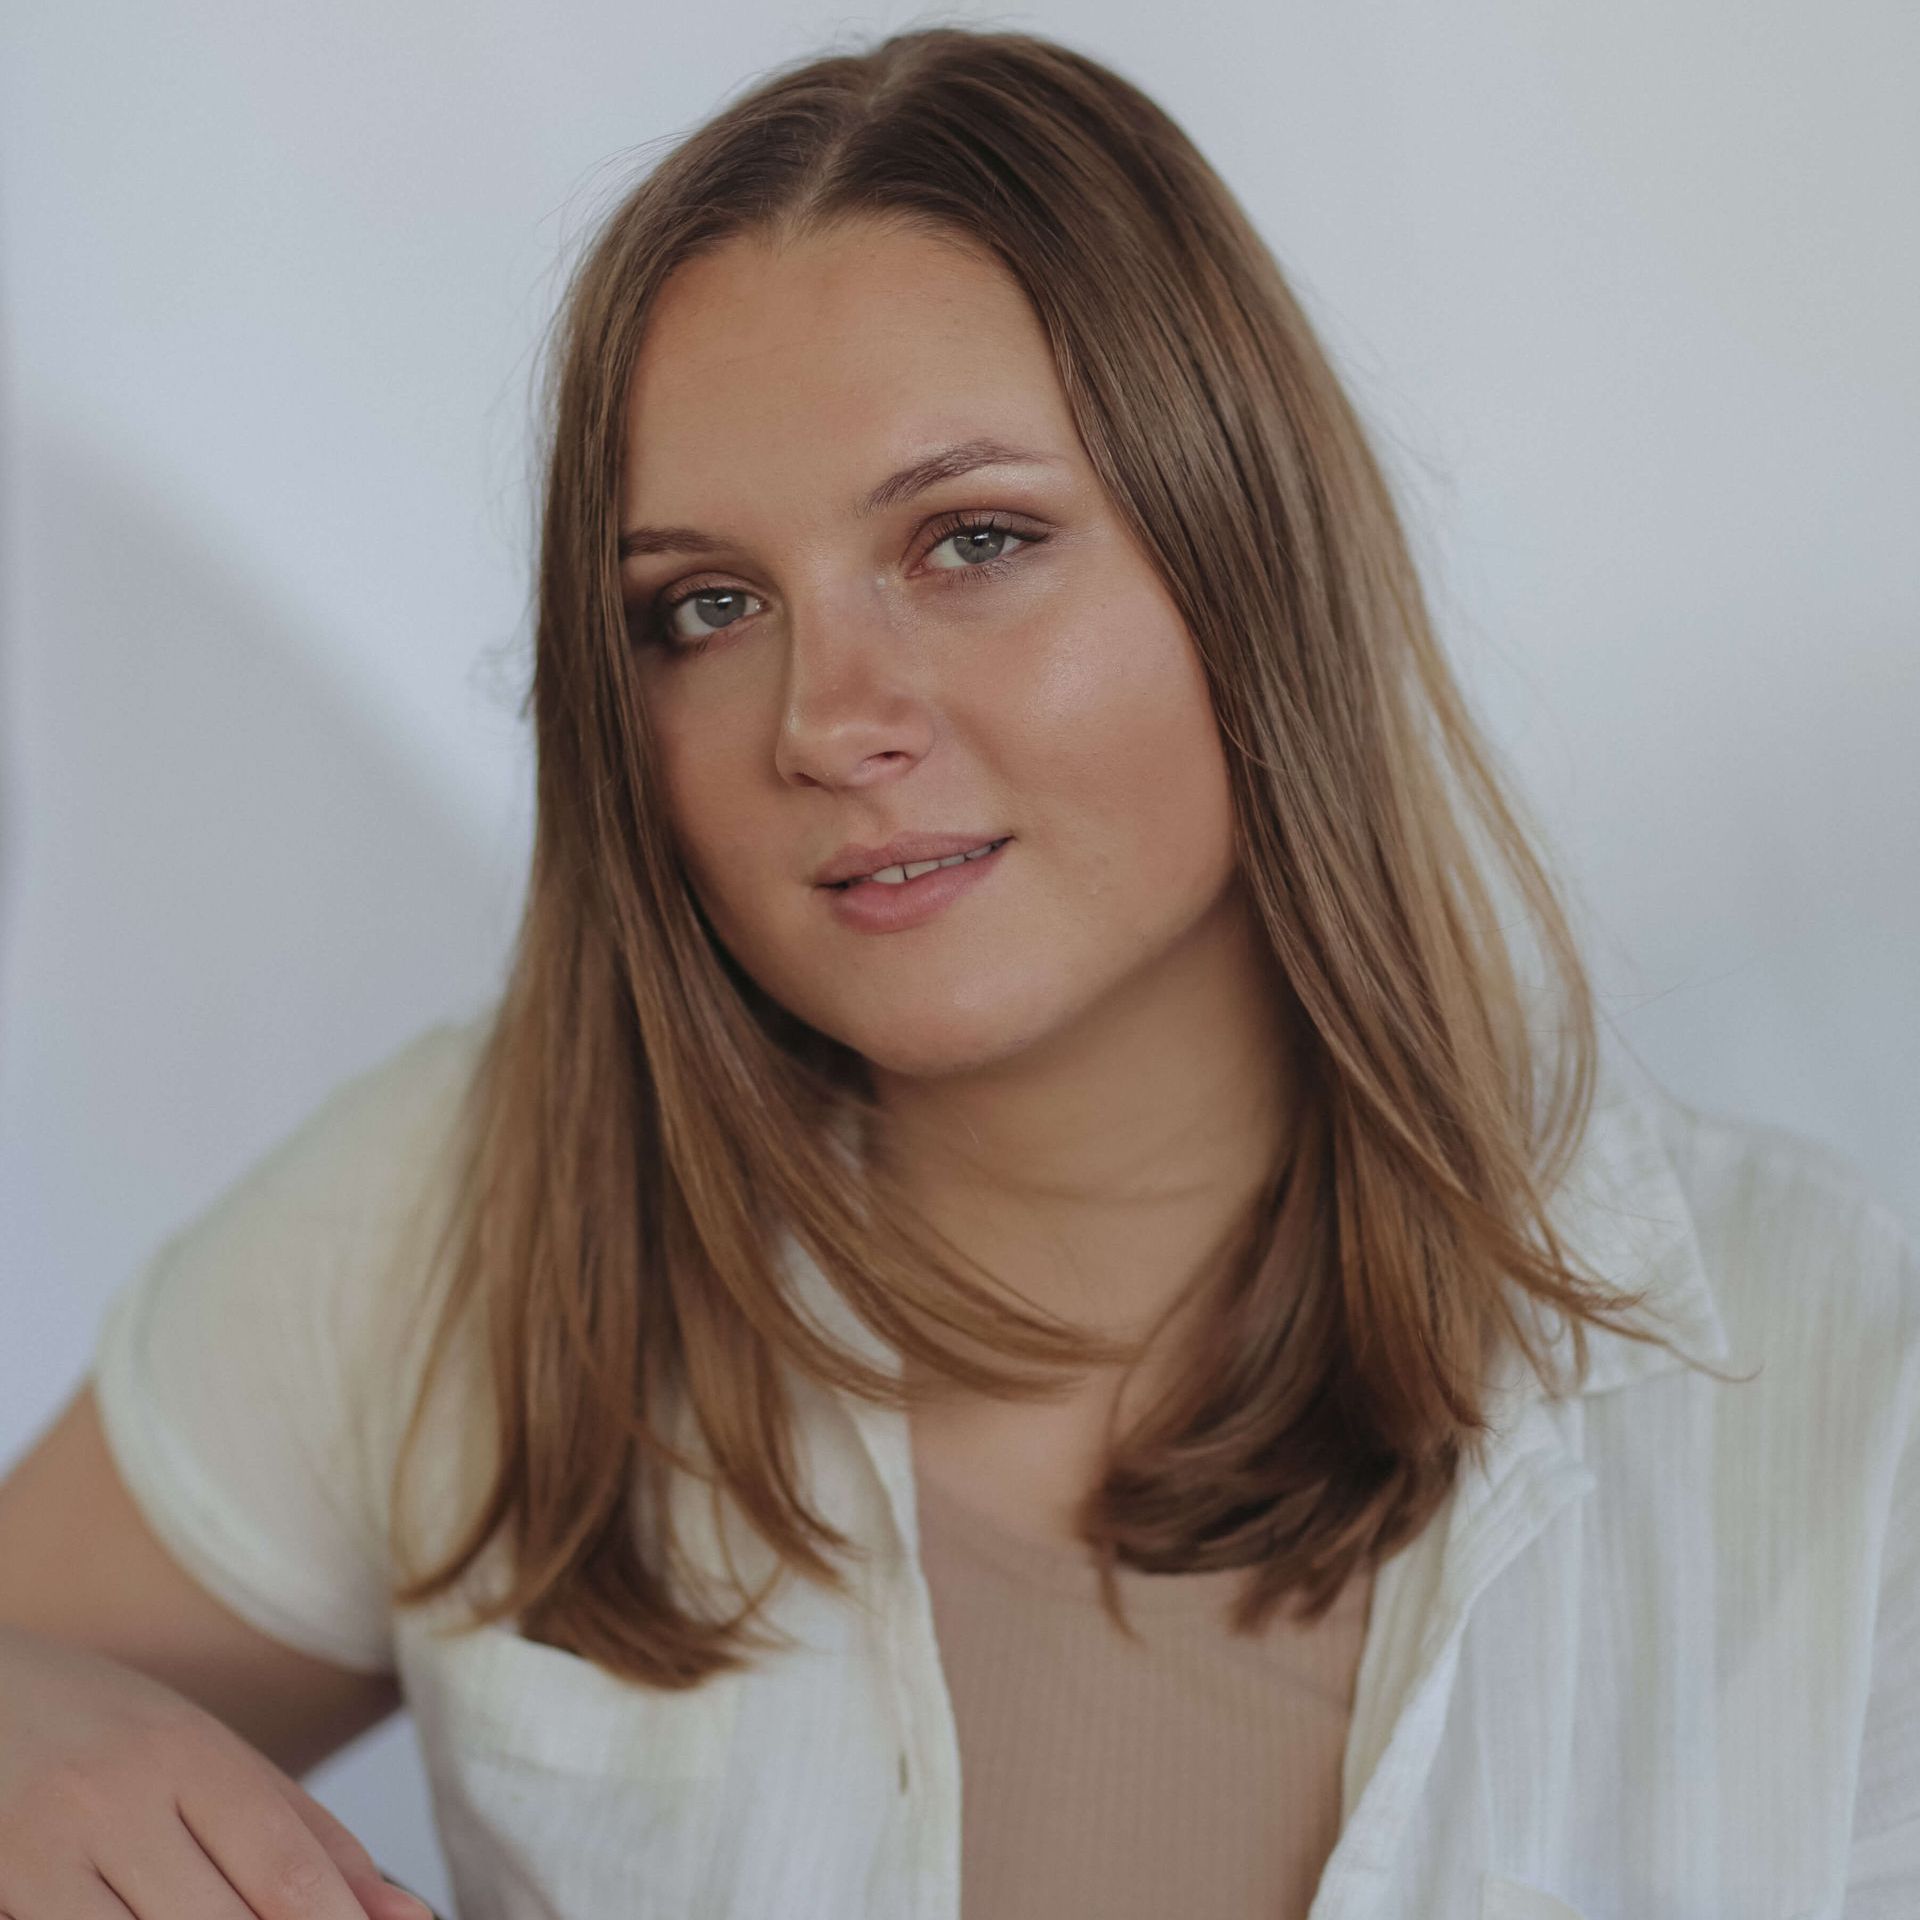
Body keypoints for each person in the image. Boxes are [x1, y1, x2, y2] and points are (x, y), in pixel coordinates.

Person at [1, 22, 1914, 1920]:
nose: (829, 721)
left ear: (1250, 555)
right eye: (708, 607)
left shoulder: (1849, 1396)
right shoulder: (466, 1225)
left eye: (971, 539)